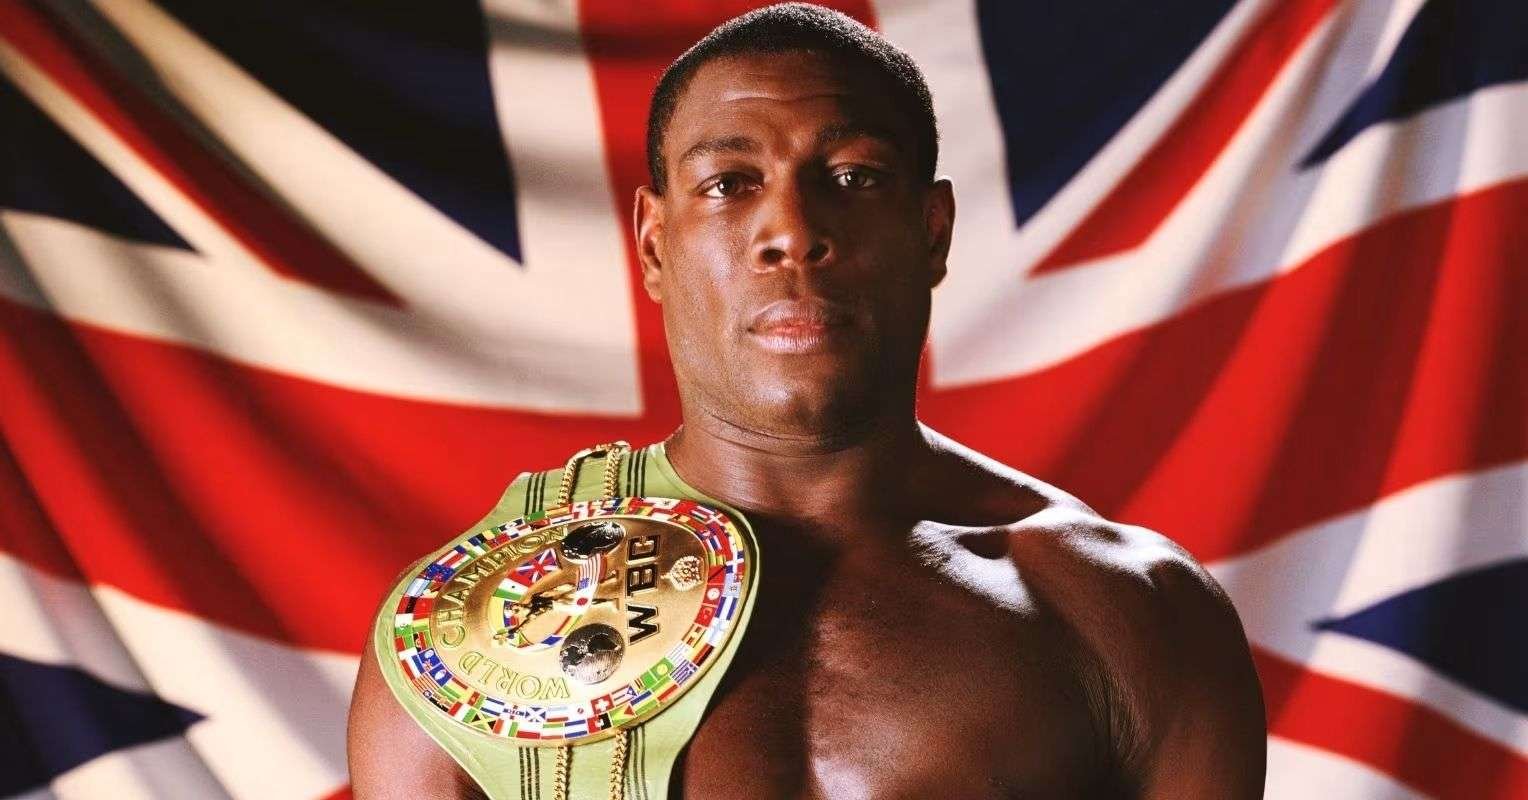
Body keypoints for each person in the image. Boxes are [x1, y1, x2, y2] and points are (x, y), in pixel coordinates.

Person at [348, 4, 1266, 798]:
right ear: (656, 245)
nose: (791, 230)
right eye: (730, 184)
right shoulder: (463, 636)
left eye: (854, 177)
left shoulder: (1128, 611)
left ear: (933, 230)